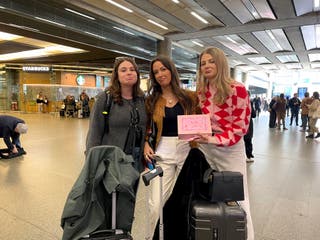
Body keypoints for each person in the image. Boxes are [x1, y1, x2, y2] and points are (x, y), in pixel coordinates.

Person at [194, 47, 254, 240]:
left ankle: (247, 236)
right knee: (206, 194)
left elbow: (240, 128)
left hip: (230, 150)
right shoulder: (201, 91)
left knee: (238, 199)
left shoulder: (237, 89)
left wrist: (213, 138)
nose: (206, 66)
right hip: (206, 148)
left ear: (221, 63)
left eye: (211, 61)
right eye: (203, 63)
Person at [85, 56, 147, 231]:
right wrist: (92, 161)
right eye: (123, 70)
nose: (129, 73)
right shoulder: (106, 99)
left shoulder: (142, 99)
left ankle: (124, 232)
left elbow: (148, 127)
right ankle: (108, 234)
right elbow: (95, 132)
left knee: (128, 201)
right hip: (111, 161)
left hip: (134, 161)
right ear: (116, 75)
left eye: (132, 69)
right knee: (108, 202)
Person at [141, 55, 200, 239]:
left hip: (187, 149)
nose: (160, 74)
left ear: (171, 70)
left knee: (187, 200)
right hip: (162, 151)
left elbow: (200, 123)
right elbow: (146, 127)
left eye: (163, 69)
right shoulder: (151, 100)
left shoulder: (190, 97)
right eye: (156, 72)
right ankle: (153, 236)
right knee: (156, 204)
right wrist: (144, 143)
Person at [244, 92, 256, 162]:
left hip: (240, 124)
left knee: (243, 140)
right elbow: (254, 115)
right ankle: (248, 156)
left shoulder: (238, 101)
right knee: (248, 140)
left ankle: (246, 155)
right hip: (248, 124)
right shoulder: (249, 103)